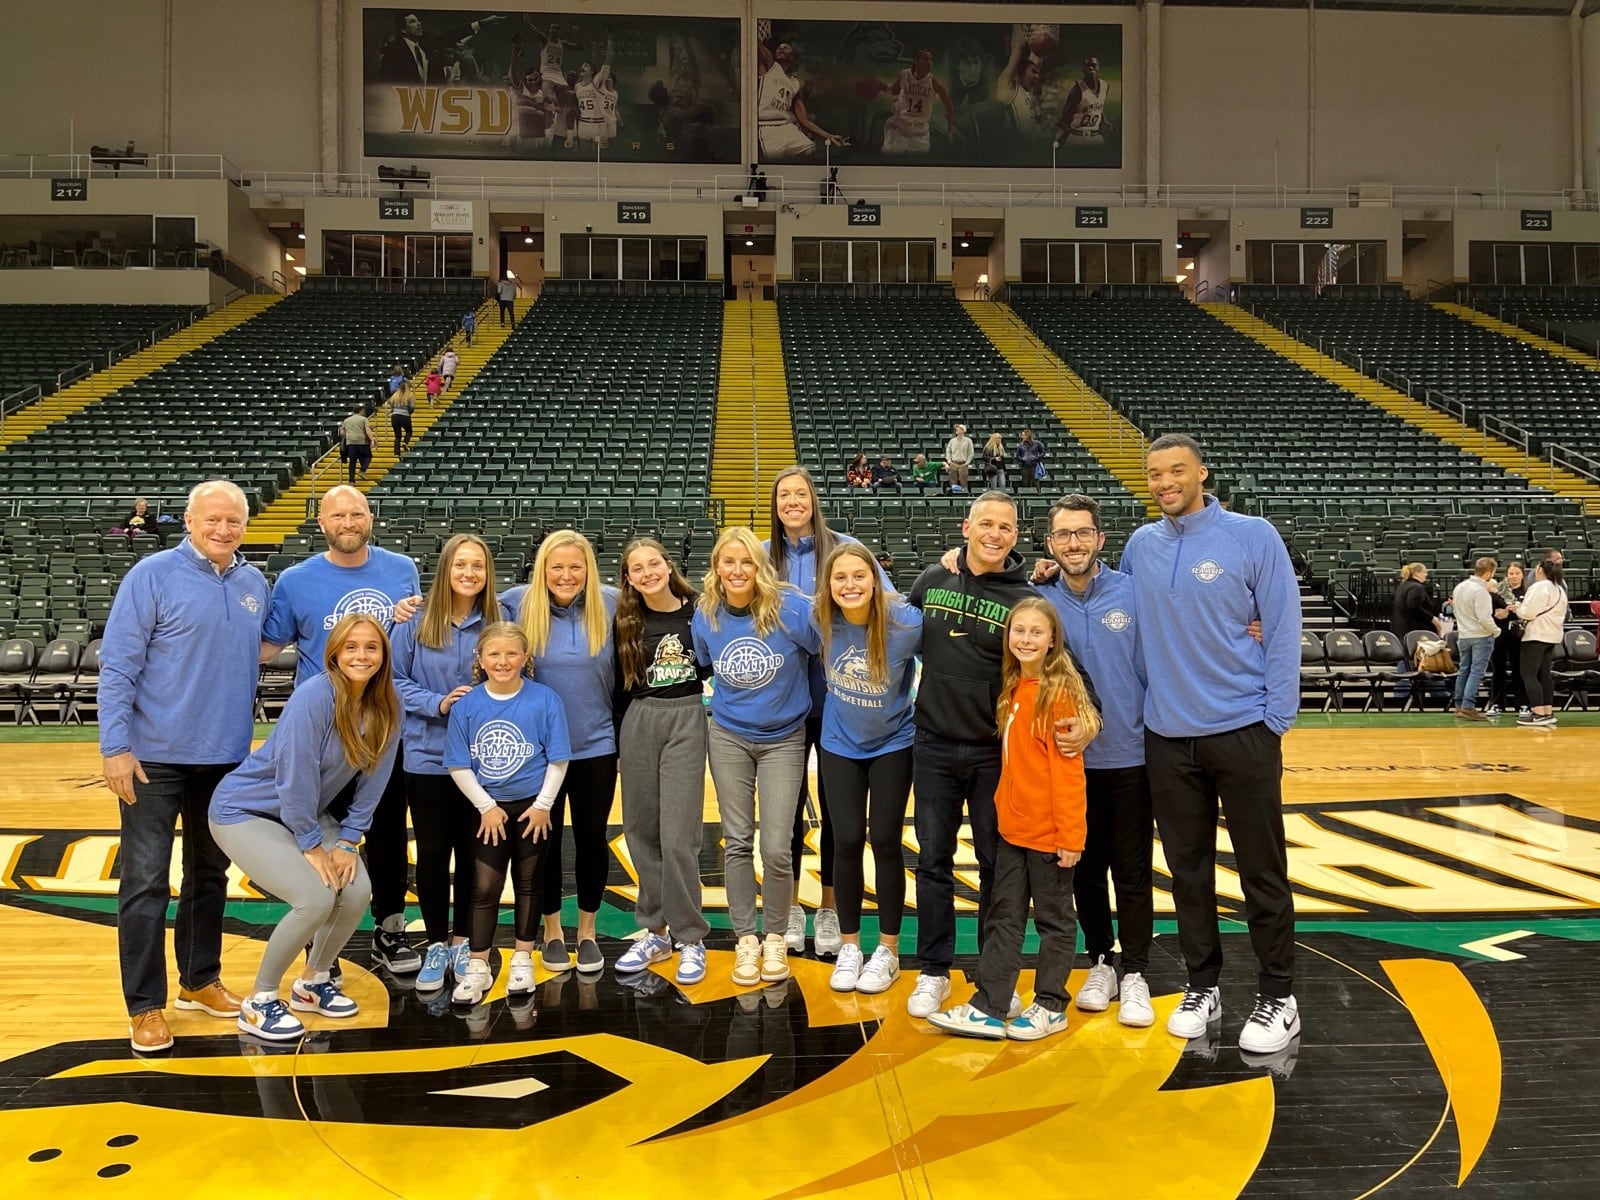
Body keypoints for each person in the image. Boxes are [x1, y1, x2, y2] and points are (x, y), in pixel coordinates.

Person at [1120, 433, 1303, 1058]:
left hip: (1243, 730)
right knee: (1189, 873)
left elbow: (1281, 626)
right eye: (1154, 474)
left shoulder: (1254, 536)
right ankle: (1204, 984)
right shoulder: (1140, 545)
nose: (1165, 482)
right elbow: (1125, 617)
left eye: (1177, 470)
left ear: (1202, 472)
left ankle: (1279, 994)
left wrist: (1275, 718)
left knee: (1262, 872)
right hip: (1168, 736)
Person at [904, 491, 1096, 1019]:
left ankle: (996, 980)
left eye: (1006, 527)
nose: (995, 534)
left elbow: (1072, 673)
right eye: (985, 524)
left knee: (998, 871)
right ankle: (935, 971)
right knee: (933, 862)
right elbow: (885, 628)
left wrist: (1086, 723)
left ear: (1016, 535)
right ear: (966, 527)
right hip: (934, 744)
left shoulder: (1027, 595)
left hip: (995, 756)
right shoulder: (931, 580)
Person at [100, 480, 267, 1052]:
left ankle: (199, 979)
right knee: (145, 883)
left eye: (234, 522)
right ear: (189, 521)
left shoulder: (253, 582)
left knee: (209, 876)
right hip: (152, 759)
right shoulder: (151, 575)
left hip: (224, 760)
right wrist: (114, 747)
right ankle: (144, 1006)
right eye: (213, 520)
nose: (223, 530)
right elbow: (118, 665)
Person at [209, 614, 401, 1042]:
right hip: (246, 810)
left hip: (305, 814)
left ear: (383, 655)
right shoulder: (315, 696)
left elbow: (376, 780)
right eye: (351, 647)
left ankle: (313, 982)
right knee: (314, 897)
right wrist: (312, 845)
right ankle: (259, 1002)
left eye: (371, 647)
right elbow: (293, 777)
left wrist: (349, 840)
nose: (361, 655)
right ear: (334, 653)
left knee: (355, 891)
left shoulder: (388, 702)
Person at [261, 485, 424, 975]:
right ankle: (321, 945)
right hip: (324, 737)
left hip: (381, 725)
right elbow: (265, 648)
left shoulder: (402, 569)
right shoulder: (295, 579)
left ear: (370, 517)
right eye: (338, 514)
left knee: (389, 830)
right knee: (322, 837)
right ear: (321, 522)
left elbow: (410, 645)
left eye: (356, 513)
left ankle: (389, 929)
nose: (348, 521)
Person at [927, 598, 1096, 1041]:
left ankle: (1050, 1004)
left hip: (1049, 835)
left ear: (1053, 640)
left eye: (1036, 632)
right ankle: (989, 1003)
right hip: (1013, 832)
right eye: (1018, 630)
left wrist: (1071, 836)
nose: (1025, 638)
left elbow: (1068, 774)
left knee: (1054, 920)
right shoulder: (1014, 687)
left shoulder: (1059, 696)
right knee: (1004, 915)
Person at [1034, 494, 1156, 1028]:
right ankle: (1101, 960)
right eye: (1064, 535)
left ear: (1101, 540)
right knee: (1082, 870)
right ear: (1050, 543)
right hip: (1064, 764)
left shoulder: (1135, 593)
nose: (1074, 543)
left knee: (1131, 871)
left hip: (1129, 755)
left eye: (1083, 533)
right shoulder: (1035, 598)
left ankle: (1136, 972)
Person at [765, 467, 889, 958]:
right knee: (785, 812)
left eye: (801, 494)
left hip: (841, 700)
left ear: (814, 500)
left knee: (840, 814)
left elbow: (889, 604)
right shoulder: (762, 556)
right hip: (785, 703)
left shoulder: (844, 549)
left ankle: (831, 908)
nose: (793, 502)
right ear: (775, 505)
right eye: (784, 496)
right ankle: (791, 908)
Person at [691, 527, 822, 986]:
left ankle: (775, 938)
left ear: (759, 565)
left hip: (785, 738)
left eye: (746, 561)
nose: (738, 570)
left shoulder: (792, 608)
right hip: (728, 737)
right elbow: (704, 665)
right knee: (738, 841)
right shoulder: (704, 615)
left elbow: (826, 646)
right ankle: (746, 938)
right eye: (729, 561)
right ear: (717, 568)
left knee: (777, 848)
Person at [390, 534, 507, 993]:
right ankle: (436, 941)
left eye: (477, 565)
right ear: (446, 569)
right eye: (460, 565)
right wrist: (439, 704)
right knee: (435, 855)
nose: (469, 573)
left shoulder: (501, 619)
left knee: (477, 855)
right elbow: (393, 681)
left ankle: (465, 941)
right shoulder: (415, 621)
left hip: (488, 762)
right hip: (428, 757)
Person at [503, 531, 620, 976]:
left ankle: (586, 932)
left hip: (595, 746)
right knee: (542, 844)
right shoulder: (516, 602)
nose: (566, 575)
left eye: (575, 566)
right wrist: (406, 608)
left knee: (592, 840)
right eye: (557, 566)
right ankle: (551, 931)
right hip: (537, 753)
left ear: (588, 568)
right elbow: (461, 607)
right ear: (542, 569)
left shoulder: (610, 603)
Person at [443, 622, 571, 1004]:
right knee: (484, 888)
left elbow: (558, 759)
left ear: (526, 658)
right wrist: (486, 807)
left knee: (530, 884)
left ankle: (522, 960)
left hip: (533, 808)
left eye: (511, 653)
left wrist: (543, 805)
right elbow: (458, 765)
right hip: (488, 813)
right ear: (480, 659)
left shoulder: (546, 700)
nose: (503, 661)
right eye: (494, 654)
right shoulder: (467, 706)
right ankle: (479, 966)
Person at [812, 544, 921, 995]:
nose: (850, 585)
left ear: (875, 580)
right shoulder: (817, 621)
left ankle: (889, 951)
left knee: (885, 841)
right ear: (829, 584)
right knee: (848, 839)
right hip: (839, 743)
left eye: (859, 576)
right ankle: (851, 946)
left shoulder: (906, 624)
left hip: (894, 742)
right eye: (840, 578)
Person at [611, 538, 711, 985]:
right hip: (639, 719)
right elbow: (617, 685)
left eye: (655, 563)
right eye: (638, 567)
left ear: (669, 567)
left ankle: (691, 936)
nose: (648, 572)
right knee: (640, 831)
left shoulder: (701, 611)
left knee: (678, 836)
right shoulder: (624, 620)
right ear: (628, 577)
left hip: (687, 715)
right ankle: (655, 930)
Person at [756, 40, 848, 159]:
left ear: (792, 58)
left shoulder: (795, 83)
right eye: (779, 47)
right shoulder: (771, 67)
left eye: (786, 47)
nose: (781, 49)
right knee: (774, 166)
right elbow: (757, 44)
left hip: (787, 128)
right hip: (767, 127)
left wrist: (828, 136)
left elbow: (803, 120)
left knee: (812, 154)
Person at [868, 49, 957, 155]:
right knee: (891, 162)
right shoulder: (904, 75)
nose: (929, 62)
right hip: (900, 128)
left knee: (918, 165)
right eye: (925, 59)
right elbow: (893, 90)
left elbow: (948, 105)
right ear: (916, 61)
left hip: (920, 132)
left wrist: (950, 130)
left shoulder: (933, 82)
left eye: (931, 60)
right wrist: (878, 84)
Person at [1516, 557, 1568, 728]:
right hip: (1552, 636)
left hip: (1536, 635)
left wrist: (1517, 608)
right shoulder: (1559, 588)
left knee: (1529, 674)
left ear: (1539, 570)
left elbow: (1528, 613)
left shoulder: (1539, 587)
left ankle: (1538, 713)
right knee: (1544, 674)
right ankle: (1547, 711)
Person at [1450, 558, 1499, 721]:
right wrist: (1496, 630)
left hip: (1463, 634)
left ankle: (1458, 705)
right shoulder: (1481, 591)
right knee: (1476, 671)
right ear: (1489, 573)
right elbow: (1484, 617)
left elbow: (1455, 611)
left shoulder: (1460, 587)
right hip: (1480, 635)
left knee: (1464, 669)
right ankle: (1468, 706)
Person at [1488, 561, 1527, 716]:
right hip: (1500, 635)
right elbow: (1490, 612)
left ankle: (1523, 704)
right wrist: (1498, 614)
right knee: (1498, 670)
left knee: (1520, 670)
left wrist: (1510, 613)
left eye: (1517, 573)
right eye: (1511, 573)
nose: (1514, 577)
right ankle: (1496, 704)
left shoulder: (1528, 592)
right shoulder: (1497, 592)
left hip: (1519, 635)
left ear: (1522, 574)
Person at [1053, 57, 1114, 147]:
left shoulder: (1105, 86)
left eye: (1093, 65)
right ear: (1083, 70)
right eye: (1087, 66)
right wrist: (1056, 138)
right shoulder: (1077, 90)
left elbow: (1096, 107)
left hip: (1096, 137)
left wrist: (1104, 121)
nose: (1090, 68)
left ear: (1099, 68)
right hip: (1077, 136)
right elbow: (1066, 117)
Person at [339, 404, 373, 485]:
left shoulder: (347, 420)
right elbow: (367, 430)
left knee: (352, 462)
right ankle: (362, 470)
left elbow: (342, 432)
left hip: (350, 443)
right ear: (361, 411)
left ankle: (351, 481)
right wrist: (372, 440)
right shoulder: (364, 419)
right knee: (368, 456)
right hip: (362, 442)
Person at [944, 423, 974, 492]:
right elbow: (948, 451)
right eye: (956, 429)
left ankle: (964, 496)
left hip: (963, 464)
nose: (957, 430)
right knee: (953, 483)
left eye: (959, 429)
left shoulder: (968, 441)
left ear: (963, 430)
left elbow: (971, 453)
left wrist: (967, 463)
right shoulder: (952, 441)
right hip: (953, 463)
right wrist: (949, 461)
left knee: (963, 483)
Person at [390, 381, 416, 453]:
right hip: (405, 415)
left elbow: (391, 405)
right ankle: (405, 442)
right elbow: (412, 407)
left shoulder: (395, 395)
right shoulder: (410, 395)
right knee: (409, 431)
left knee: (397, 435)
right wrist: (409, 413)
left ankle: (396, 452)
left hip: (395, 416)